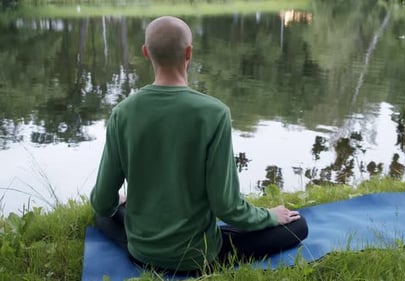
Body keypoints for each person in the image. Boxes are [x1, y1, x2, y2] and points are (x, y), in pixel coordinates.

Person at [90, 16, 308, 275]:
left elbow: (102, 202)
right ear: (189, 53)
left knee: (104, 215)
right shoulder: (215, 113)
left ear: (146, 53)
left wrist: (119, 202)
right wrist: (270, 216)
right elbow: (227, 207)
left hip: (141, 254)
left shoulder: (122, 113)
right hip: (199, 256)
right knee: (298, 226)